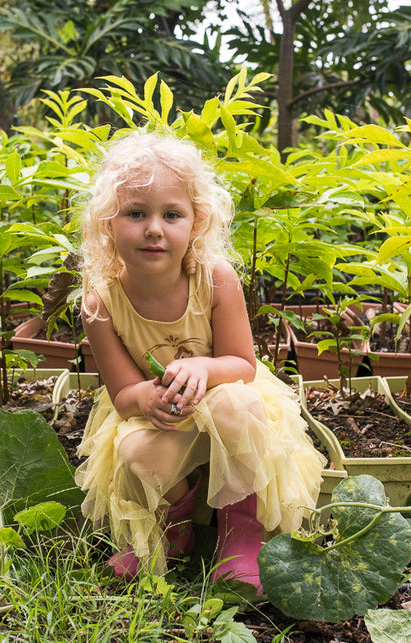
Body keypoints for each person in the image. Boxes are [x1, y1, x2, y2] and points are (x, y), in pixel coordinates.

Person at [74, 131, 326, 593]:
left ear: (196, 222)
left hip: (227, 399)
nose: (154, 228)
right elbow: (123, 394)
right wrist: (147, 398)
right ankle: (178, 525)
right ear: (108, 223)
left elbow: (242, 365)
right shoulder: (101, 302)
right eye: (136, 213)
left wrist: (204, 369)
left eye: (172, 214)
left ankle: (240, 530)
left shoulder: (215, 279)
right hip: (167, 415)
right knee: (134, 454)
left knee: (238, 405)